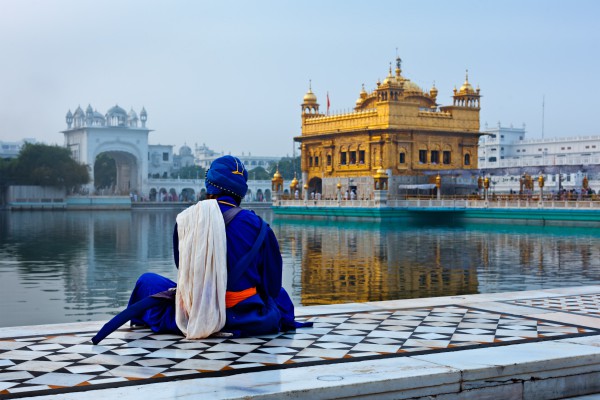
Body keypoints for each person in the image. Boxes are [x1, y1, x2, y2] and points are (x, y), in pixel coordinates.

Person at [93, 155, 310, 343]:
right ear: (241, 191)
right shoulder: (260, 227)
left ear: (210, 186)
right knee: (279, 296)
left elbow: (184, 271)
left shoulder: (187, 219)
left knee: (147, 282)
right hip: (246, 316)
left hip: (196, 310)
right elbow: (272, 285)